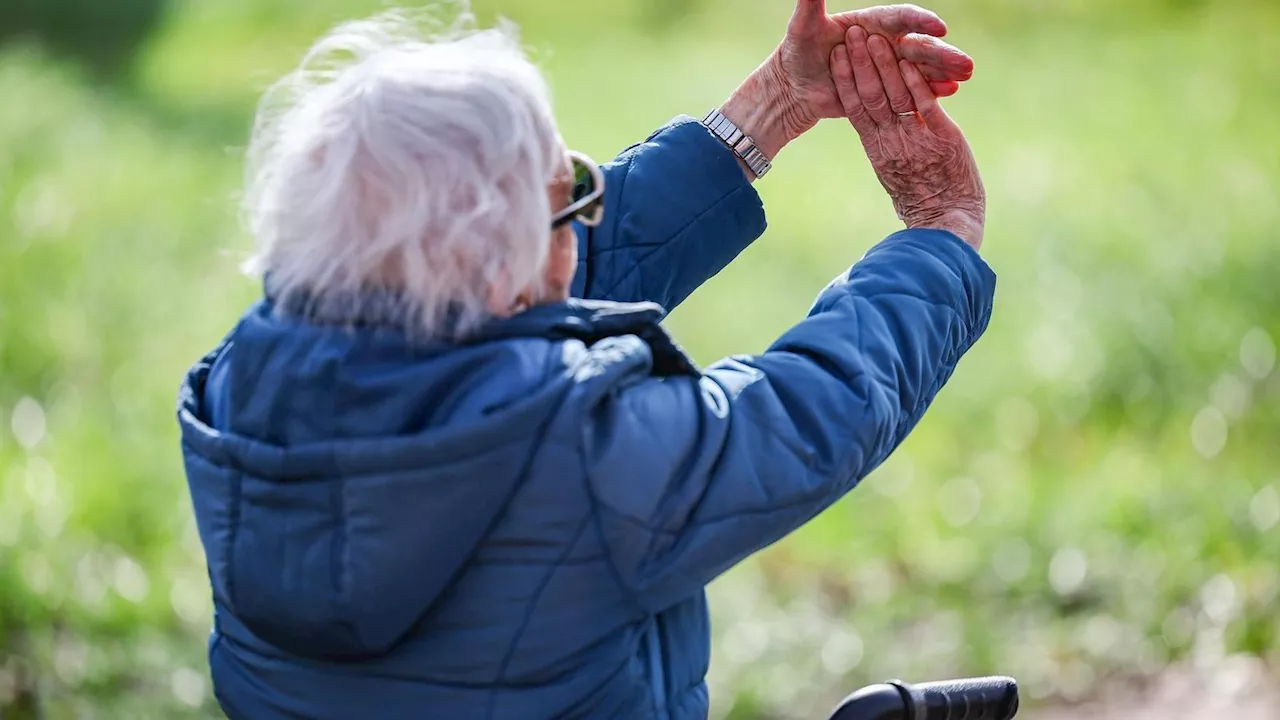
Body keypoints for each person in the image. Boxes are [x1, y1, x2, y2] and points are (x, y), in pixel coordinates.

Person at [176, 1, 993, 718]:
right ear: (498, 260)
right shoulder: (585, 453)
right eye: (569, 191)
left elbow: (520, 294)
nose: (585, 216)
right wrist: (939, 231)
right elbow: (811, 411)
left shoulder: (240, 387)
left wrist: (779, 99)